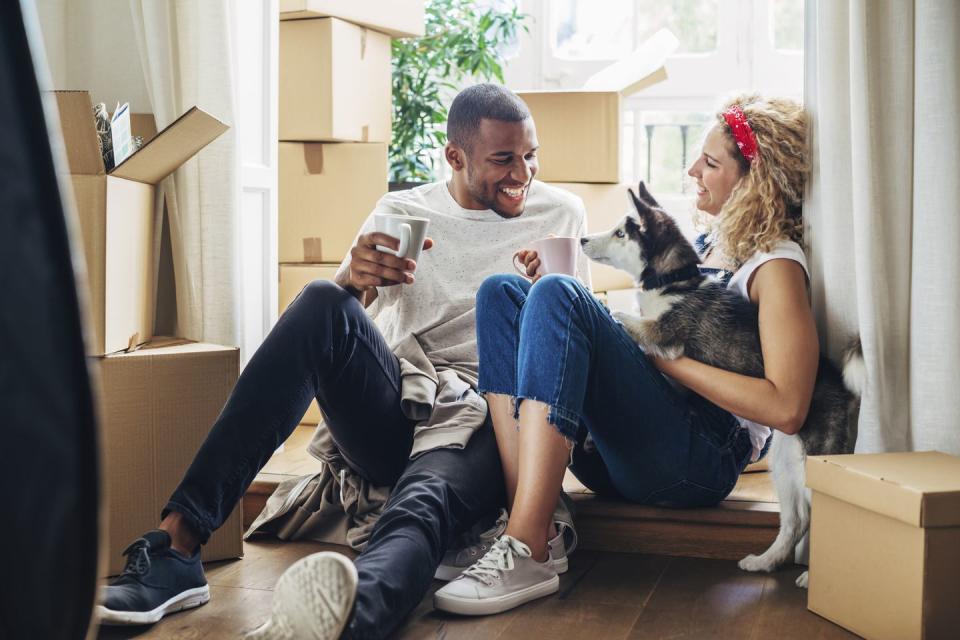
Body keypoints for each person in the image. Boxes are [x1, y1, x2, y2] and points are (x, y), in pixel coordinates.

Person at [97, 84, 590, 639]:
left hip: (488, 417)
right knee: (320, 300)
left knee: (422, 498)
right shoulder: (402, 211)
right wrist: (353, 281)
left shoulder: (561, 213)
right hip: (401, 400)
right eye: (504, 158)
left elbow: (568, 344)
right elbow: (338, 323)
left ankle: (343, 621)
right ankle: (178, 544)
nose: (522, 172)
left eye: (531, 155)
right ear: (455, 156)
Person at [433, 94, 815, 615]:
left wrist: (659, 355)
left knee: (560, 295)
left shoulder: (774, 266)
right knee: (501, 292)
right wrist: (571, 316)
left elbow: (787, 407)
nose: (692, 169)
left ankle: (528, 546)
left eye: (711, 162)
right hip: (623, 452)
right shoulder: (707, 245)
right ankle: (532, 519)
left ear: (755, 180)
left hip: (695, 458)